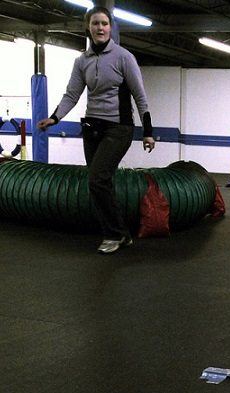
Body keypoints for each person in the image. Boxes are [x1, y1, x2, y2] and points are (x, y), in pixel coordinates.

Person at [37, 6, 155, 254]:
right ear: (88, 28)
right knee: (100, 183)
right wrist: (54, 118)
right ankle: (121, 233)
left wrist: (148, 131)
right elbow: (72, 94)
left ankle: (113, 234)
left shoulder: (124, 57)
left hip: (119, 127)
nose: (100, 28)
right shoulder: (82, 61)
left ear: (111, 27)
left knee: (97, 179)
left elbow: (140, 97)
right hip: (92, 127)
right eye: (95, 24)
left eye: (104, 23)